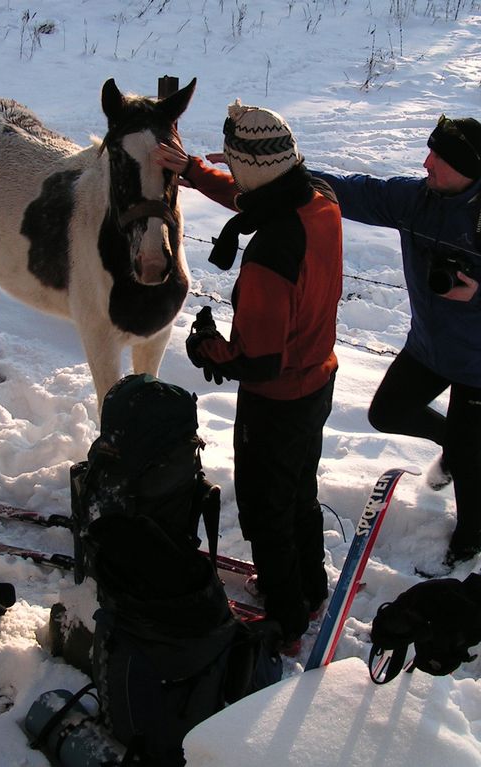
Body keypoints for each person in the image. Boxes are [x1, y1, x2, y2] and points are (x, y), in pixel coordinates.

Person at [311, 115, 481, 570]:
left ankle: (466, 549)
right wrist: (279, 170)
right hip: (429, 346)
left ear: (465, 165)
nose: (426, 163)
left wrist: (480, 294)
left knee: (466, 459)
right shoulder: (416, 200)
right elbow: (355, 190)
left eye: (438, 158)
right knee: (386, 413)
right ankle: (458, 445)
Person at [153, 101, 343, 653]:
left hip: (276, 398)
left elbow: (257, 359)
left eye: (237, 167)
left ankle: (285, 621)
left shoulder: (270, 254)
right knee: (298, 493)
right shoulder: (319, 200)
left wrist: (205, 346)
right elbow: (253, 198)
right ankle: (310, 587)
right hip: (317, 381)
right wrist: (191, 170)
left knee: (266, 509)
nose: (234, 178)